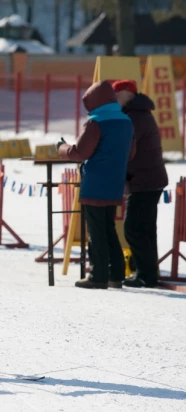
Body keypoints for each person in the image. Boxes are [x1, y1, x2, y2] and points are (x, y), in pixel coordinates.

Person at [57, 80, 134, 289]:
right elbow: (132, 152)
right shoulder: (126, 121)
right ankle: (116, 275)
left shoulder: (96, 122)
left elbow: (79, 153)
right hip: (115, 182)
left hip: (95, 184)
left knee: (96, 231)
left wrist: (62, 147)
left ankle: (98, 276)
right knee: (108, 229)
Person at [112, 80, 168, 288]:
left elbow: (125, 146)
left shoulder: (135, 116)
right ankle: (147, 273)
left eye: (117, 93)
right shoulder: (137, 113)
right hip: (147, 179)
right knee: (144, 228)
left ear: (128, 93)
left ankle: (145, 274)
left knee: (133, 229)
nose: (114, 97)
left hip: (145, 180)